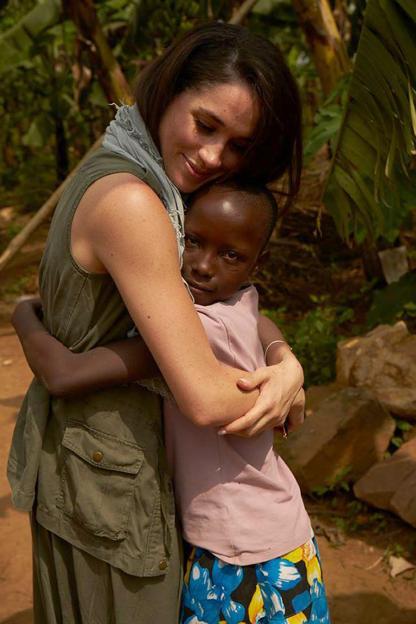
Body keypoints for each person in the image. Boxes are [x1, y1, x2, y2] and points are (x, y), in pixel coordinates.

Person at [8, 22, 306, 624]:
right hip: (111, 491)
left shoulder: (122, 163)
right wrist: (286, 387)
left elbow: (234, 310)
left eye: (239, 146)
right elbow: (207, 398)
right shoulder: (136, 204)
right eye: (206, 124)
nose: (214, 156)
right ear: (169, 91)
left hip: (89, 474)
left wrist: (285, 359)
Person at [14, 181, 330, 624]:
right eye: (194, 242)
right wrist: (282, 353)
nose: (202, 266)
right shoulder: (239, 300)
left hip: (243, 559)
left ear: (259, 263)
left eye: (230, 255)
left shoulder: (190, 333)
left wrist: (23, 313)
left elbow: (65, 375)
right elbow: (261, 320)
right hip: (275, 537)